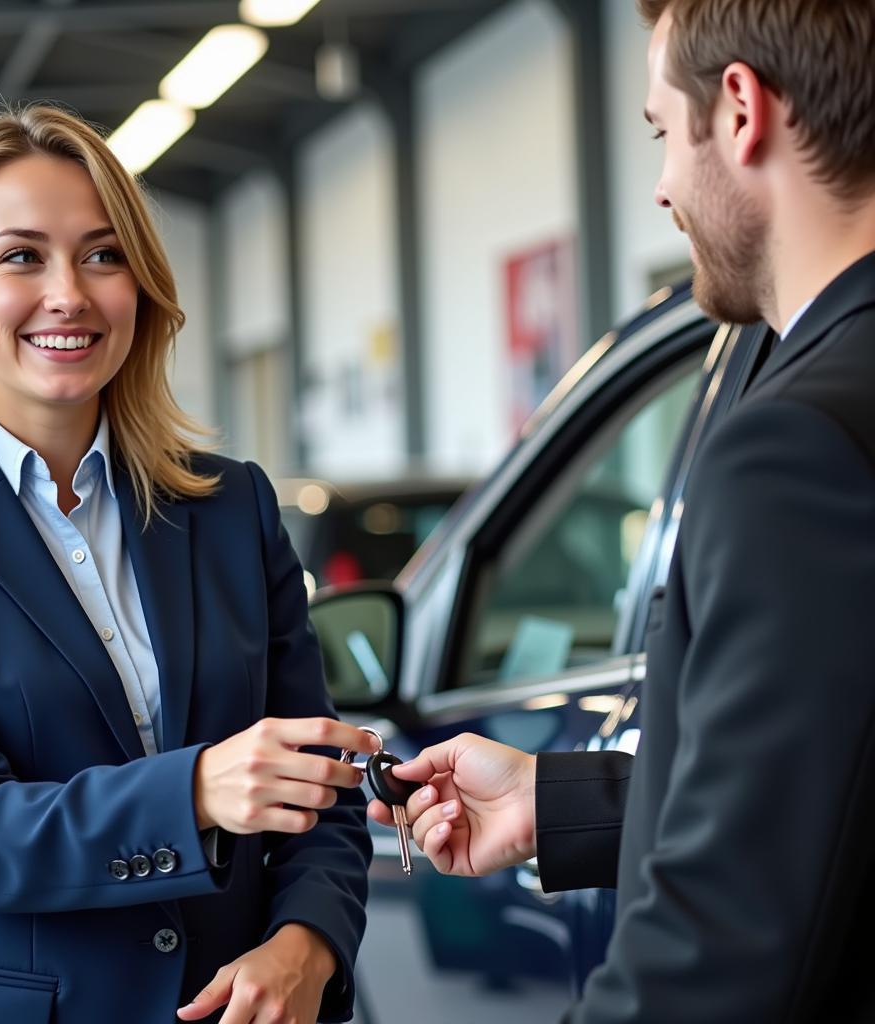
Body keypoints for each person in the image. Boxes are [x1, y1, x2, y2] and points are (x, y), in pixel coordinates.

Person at [371, 1, 875, 1019]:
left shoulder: (795, 450)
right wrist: (557, 803)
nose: (658, 187)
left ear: (740, 110)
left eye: (658, 133)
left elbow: (720, 953)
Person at [0, 104, 381, 1024]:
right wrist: (197, 791)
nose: (70, 294)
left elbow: (320, 781)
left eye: (102, 255)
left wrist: (307, 948)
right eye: (22, 256)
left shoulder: (231, 506)